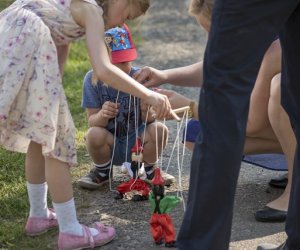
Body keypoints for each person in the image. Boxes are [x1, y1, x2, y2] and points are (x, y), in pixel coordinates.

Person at [0, 0, 176, 249]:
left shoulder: (71, 7)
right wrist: (148, 95)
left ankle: (39, 215)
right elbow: (103, 70)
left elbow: (58, 45)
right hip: (27, 41)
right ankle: (71, 231)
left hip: (12, 36)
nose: (122, 24)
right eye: (127, 14)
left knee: (40, 134)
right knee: (56, 139)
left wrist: (53, 93)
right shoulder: (91, 9)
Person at [134, 0, 300, 249]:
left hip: (265, 123)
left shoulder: (272, 49)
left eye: (216, 32)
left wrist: (190, 106)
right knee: (193, 133)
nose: (214, 41)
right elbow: (218, 66)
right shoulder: (268, 35)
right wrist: (166, 75)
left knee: (264, 100)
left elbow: (245, 118)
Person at [77, 24, 174, 191]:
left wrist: (146, 111)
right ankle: (103, 171)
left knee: (160, 129)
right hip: (111, 144)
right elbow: (92, 121)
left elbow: (150, 120)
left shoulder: (140, 77)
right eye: (116, 63)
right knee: (93, 134)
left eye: (126, 60)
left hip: (138, 143)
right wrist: (102, 115)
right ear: (99, 60)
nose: (123, 68)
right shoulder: (92, 80)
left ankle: (148, 169)